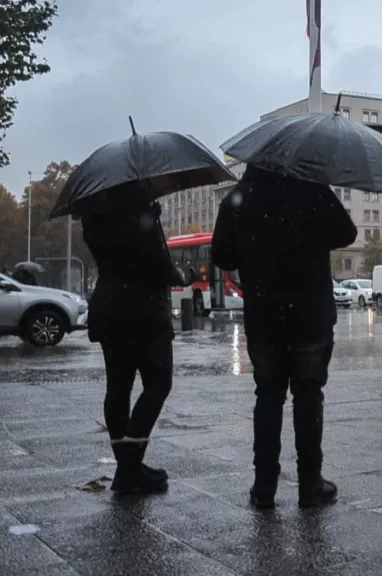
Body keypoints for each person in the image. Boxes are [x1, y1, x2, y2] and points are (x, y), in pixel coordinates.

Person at [212, 166, 357, 509]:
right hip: (310, 314)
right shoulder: (311, 188)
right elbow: (346, 233)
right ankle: (310, 484)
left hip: (264, 317)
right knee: (308, 396)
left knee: (268, 397)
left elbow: (221, 255)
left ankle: (264, 486)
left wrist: (253, 246)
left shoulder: (240, 196)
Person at [82, 201, 189, 495]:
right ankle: (129, 468)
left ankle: (129, 467)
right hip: (144, 312)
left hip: (109, 308)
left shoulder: (94, 215)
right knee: (158, 383)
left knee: (118, 387)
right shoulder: (140, 215)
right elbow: (159, 266)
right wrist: (181, 276)